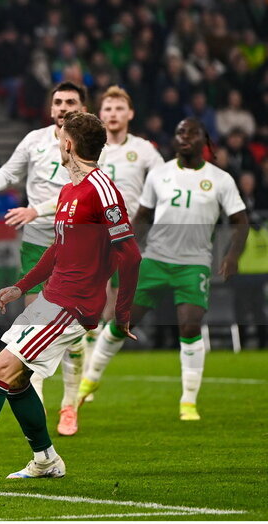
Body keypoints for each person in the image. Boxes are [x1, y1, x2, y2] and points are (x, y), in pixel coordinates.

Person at [0, 112, 142, 484]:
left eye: (60, 137)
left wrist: (123, 314)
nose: (57, 143)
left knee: (1, 369)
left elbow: (130, 254)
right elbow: (58, 248)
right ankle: (46, 459)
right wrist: (22, 285)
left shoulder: (101, 189)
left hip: (73, 305)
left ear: (68, 145)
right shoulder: (68, 191)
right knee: (17, 381)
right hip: (52, 297)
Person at [78, 118, 249, 421]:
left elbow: (240, 221)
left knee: (190, 325)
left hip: (194, 263)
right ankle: (90, 379)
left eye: (191, 133)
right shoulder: (160, 174)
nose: (184, 137)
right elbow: (142, 217)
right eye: (180, 132)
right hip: (155, 260)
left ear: (203, 140)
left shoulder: (220, 179)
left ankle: (188, 401)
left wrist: (233, 255)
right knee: (122, 322)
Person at [0, 81, 87, 436]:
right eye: (58, 102)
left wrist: (35, 209)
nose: (62, 107)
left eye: (70, 102)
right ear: (50, 109)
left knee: (73, 333)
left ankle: (70, 403)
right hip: (36, 243)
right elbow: (10, 173)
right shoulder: (34, 140)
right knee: (36, 325)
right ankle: (42, 403)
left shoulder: (91, 145)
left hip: (76, 244)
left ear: (82, 107)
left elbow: (83, 192)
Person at [83, 86, 163, 398]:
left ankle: (91, 363)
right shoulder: (90, 148)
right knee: (93, 300)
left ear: (129, 114)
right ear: (99, 115)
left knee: (115, 307)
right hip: (94, 233)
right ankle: (86, 369)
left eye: (119, 108)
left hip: (129, 235)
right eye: (108, 108)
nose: (113, 114)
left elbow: (163, 185)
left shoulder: (144, 150)